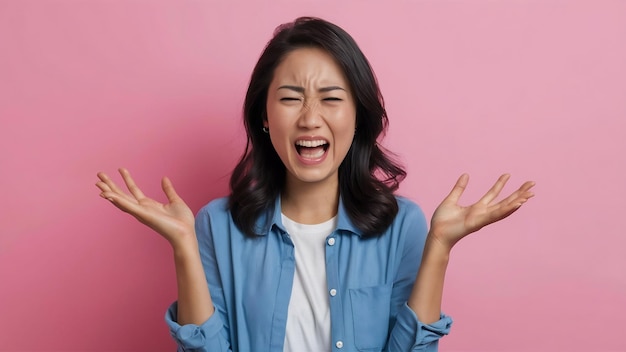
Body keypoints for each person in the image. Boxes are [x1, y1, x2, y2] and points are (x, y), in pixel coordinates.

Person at [95, 17, 534, 352]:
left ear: (358, 116)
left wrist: (439, 246)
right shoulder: (216, 225)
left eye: (331, 98)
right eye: (290, 98)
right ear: (265, 117)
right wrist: (183, 246)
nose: (309, 118)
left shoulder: (405, 225)